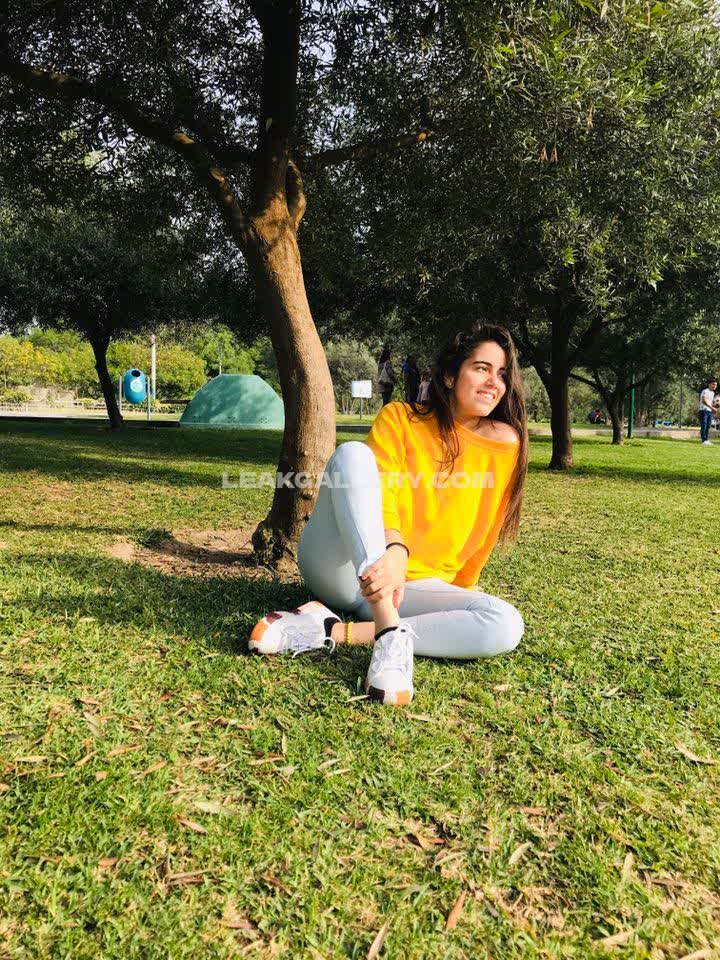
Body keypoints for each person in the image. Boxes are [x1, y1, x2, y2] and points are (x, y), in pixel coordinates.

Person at [249, 324, 528, 707]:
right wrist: (394, 551)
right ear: (450, 376)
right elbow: (380, 486)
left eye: (502, 374)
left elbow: (486, 526)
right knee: (352, 456)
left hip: (412, 589)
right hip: (344, 568)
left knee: (506, 624)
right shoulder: (400, 417)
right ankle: (388, 633)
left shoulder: (505, 444)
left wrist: (463, 588)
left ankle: (333, 630)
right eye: (482, 368)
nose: (494, 382)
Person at [698, 378, 717, 445]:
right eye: (713, 384)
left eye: (716, 385)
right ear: (709, 384)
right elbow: (704, 401)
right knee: (704, 425)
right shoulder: (705, 391)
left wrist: (715, 406)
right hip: (703, 410)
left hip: (709, 411)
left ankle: (706, 440)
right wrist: (712, 408)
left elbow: (710, 402)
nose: (714, 386)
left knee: (708, 426)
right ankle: (703, 440)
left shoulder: (712, 393)